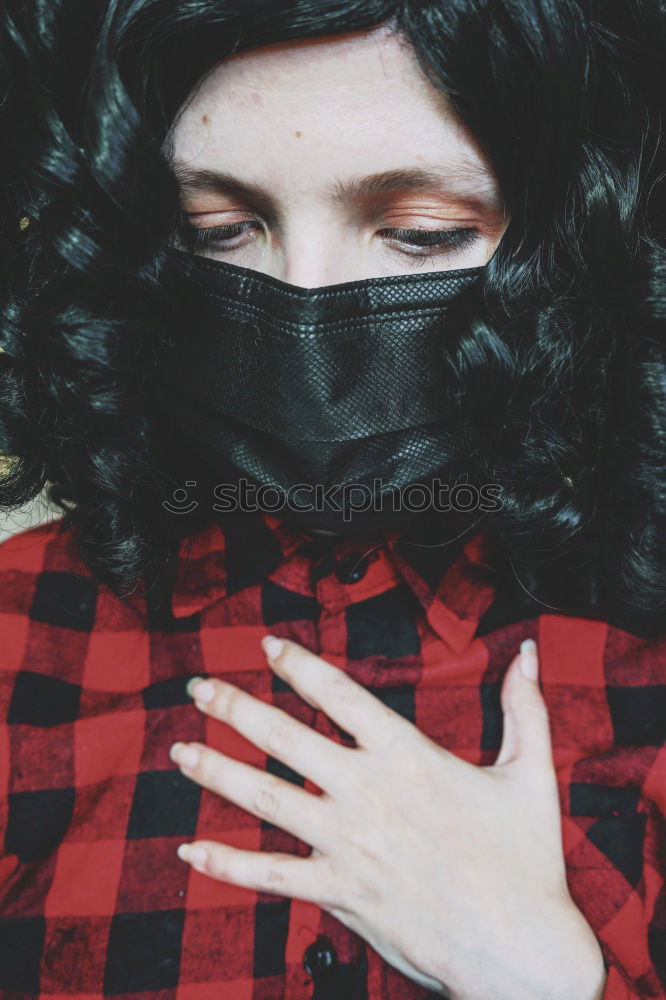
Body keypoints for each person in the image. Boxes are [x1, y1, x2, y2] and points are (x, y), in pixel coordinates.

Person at [0, 2, 664, 998]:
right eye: (218, 229)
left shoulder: (640, 649)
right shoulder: (18, 634)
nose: (302, 310)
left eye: (417, 232)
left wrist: (544, 977)